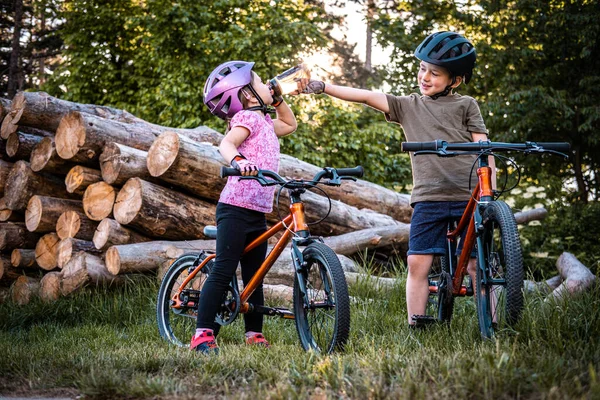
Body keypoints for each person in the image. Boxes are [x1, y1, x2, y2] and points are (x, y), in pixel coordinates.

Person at [302, 31, 494, 326]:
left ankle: (492, 324)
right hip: (429, 197)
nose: (425, 77)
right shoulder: (408, 105)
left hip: (468, 194)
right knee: (417, 261)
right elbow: (366, 96)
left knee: (475, 264)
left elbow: (484, 147)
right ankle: (416, 322)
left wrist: (488, 191)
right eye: (422, 69)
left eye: (435, 73)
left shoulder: (466, 104)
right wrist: (324, 87)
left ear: (454, 80)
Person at [191, 60, 302, 353]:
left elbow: (290, 124)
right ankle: (202, 334)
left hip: (257, 212)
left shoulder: (265, 120)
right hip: (235, 207)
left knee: (256, 275)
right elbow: (226, 145)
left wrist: (278, 98)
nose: (268, 84)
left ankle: (254, 333)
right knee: (224, 269)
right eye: (262, 82)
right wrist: (239, 161)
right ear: (250, 95)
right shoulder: (247, 120)